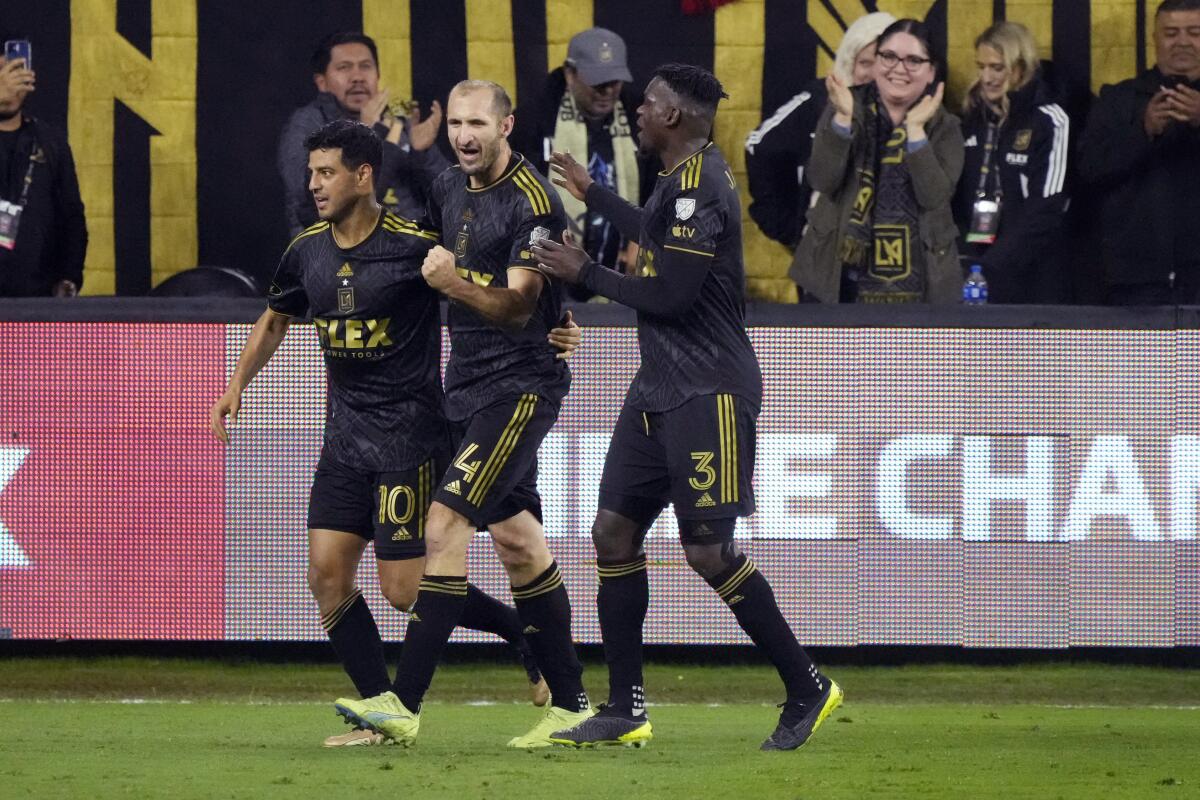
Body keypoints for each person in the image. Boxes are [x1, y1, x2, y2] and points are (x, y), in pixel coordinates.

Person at [211, 119, 582, 748]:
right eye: (311, 173)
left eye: (326, 172)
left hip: (411, 438)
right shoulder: (306, 248)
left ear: (363, 176)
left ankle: (520, 635)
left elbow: (492, 292)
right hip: (344, 440)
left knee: (406, 591)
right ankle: (377, 713)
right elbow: (277, 315)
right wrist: (236, 385)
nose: (314, 185)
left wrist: (554, 325)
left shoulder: (416, 247)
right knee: (326, 576)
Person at [533, 63, 842, 752]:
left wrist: (585, 272)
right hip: (659, 389)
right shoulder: (682, 180)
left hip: (710, 391)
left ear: (672, 117)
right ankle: (625, 707)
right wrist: (595, 194)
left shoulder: (701, 189)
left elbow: (672, 294)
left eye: (647, 105)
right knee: (613, 532)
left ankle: (807, 685)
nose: (637, 112)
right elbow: (655, 227)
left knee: (707, 550)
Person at [333, 81, 593, 749]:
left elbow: (513, 304)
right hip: (466, 390)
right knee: (520, 543)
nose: (464, 133)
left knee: (443, 523)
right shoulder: (449, 185)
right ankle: (573, 707)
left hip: (519, 389)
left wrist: (452, 284)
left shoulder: (535, 204)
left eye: (478, 121)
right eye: (455, 121)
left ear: (509, 123)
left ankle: (402, 706)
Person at [790, 19, 964, 304]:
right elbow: (822, 179)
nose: (898, 68)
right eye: (889, 56)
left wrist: (916, 132)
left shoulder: (945, 126)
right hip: (838, 276)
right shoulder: (844, 106)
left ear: (931, 72)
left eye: (913, 60)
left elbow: (933, 197)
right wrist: (842, 122)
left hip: (922, 284)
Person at [510, 27, 649, 298]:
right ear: (569, 74)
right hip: (547, 275)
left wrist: (643, 239)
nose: (607, 91)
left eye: (615, 81)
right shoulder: (534, 118)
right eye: (598, 82)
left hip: (623, 276)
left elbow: (659, 182)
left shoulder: (639, 116)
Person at [1079, 0, 1200, 305]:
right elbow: (1089, 171)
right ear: (1154, 39)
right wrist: (1143, 131)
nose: (1183, 42)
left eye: (1194, 32)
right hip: (1136, 282)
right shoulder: (1118, 99)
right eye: (1171, 33)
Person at [744, 12, 895, 256]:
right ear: (849, 62)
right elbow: (759, 145)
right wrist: (788, 228)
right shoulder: (820, 100)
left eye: (883, 62)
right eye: (865, 63)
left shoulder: (917, 109)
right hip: (825, 259)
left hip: (894, 260)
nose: (874, 74)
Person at [278, 32, 448, 237]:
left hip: (411, 253)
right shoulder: (306, 124)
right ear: (322, 82)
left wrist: (424, 154)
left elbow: (452, 198)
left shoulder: (397, 122)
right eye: (344, 67)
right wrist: (364, 134)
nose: (357, 77)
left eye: (365, 66)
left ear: (377, 76)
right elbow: (323, 205)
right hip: (340, 256)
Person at [952, 22, 1070, 304]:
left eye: (997, 67)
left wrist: (994, 265)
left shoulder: (1049, 120)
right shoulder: (970, 122)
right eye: (981, 67)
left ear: (1021, 67)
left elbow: (1048, 207)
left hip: (1032, 277)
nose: (987, 77)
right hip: (976, 272)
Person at [0, 47, 86, 297]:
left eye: (15, 71)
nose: (9, 82)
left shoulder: (50, 142)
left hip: (36, 304)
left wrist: (69, 277)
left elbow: (72, 218)